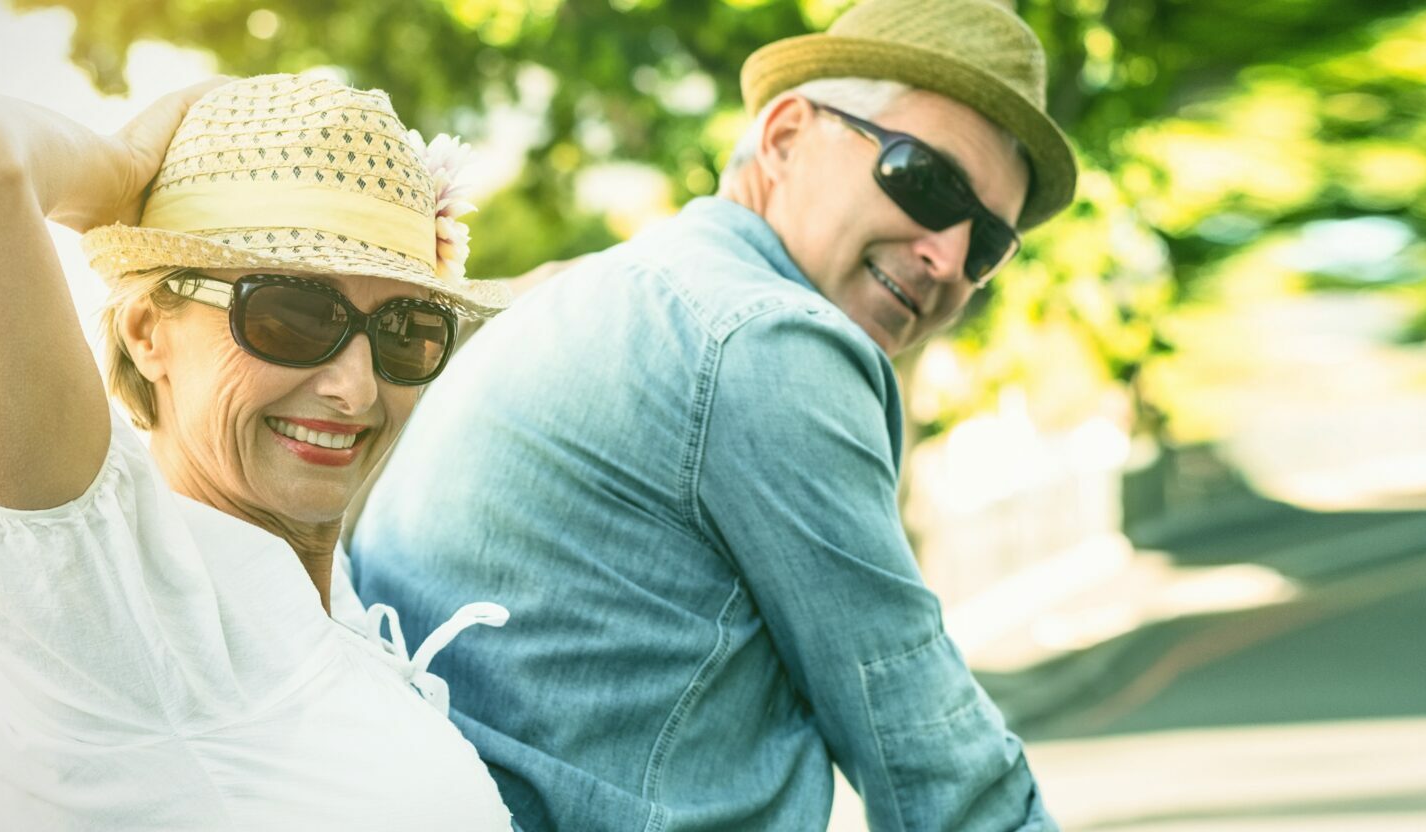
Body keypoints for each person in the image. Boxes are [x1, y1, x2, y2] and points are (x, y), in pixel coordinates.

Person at [350, 0, 1077, 829]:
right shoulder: (768, 341)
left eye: (987, 244)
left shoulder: (605, 293)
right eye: (925, 181)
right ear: (786, 137)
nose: (948, 258)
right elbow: (929, 753)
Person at [0, 73, 516, 828]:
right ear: (147, 331)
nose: (355, 390)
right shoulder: (119, 602)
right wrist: (128, 168)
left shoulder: (308, 582)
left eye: (405, 330)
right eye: (291, 314)